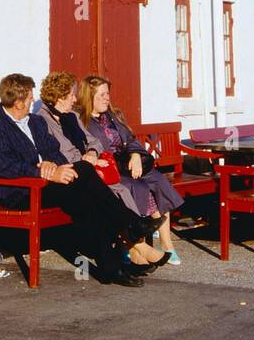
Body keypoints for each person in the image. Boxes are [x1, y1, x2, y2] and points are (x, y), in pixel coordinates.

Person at [0, 73, 151, 286]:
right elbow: (3, 166)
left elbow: (53, 150)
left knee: (89, 194)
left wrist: (61, 169)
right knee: (87, 178)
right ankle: (131, 223)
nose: (33, 100)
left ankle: (111, 266)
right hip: (23, 192)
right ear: (17, 103)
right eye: (30, 97)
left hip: (50, 184)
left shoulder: (34, 122)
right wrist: (40, 171)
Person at [31, 71, 168, 271]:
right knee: (114, 190)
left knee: (121, 186)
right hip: (70, 176)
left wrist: (93, 154)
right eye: (71, 95)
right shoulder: (42, 120)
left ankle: (133, 249)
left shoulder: (71, 116)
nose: (75, 99)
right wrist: (89, 163)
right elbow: (58, 154)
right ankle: (135, 246)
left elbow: (93, 141)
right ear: (59, 97)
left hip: (87, 170)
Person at [77, 74, 185, 265]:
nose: (106, 98)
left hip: (128, 164)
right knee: (138, 186)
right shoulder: (81, 120)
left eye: (107, 93)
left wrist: (136, 155)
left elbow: (131, 140)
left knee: (158, 181)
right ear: (89, 96)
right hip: (108, 170)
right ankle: (133, 245)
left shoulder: (113, 115)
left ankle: (168, 245)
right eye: (101, 94)